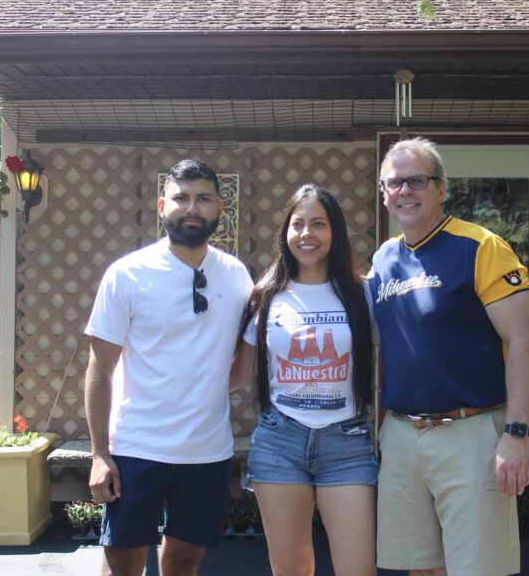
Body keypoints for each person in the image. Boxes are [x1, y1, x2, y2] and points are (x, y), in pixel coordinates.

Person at [368, 137, 529, 576]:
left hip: (470, 432)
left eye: (417, 181)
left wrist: (518, 433)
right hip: (404, 435)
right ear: (383, 192)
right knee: (421, 568)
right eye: (394, 183)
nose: (404, 191)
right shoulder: (385, 259)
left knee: (478, 569)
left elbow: (525, 341)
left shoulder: (481, 247)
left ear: (441, 189)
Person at [84, 159, 253, 576]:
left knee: (183, 562)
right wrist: (100, 454)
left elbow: (242, 367)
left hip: (207, 453)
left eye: (203, 199)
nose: (191, 208)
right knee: (123, 563)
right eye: (181, 198)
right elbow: (99, 370)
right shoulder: (127, 274)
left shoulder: (236, 277)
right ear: (162, 205)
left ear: (220, 210)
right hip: (136, 450)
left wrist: (200, 393)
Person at [232, 183, 377, 576]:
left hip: (347, 444)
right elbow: (241, 372)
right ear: (286, 233)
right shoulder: (265, 296)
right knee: (292, 569)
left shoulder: (362, 295)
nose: (307, 234)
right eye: (298, 224)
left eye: (319, 224)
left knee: (358, 569)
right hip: (280, 442)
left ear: (336, 233)